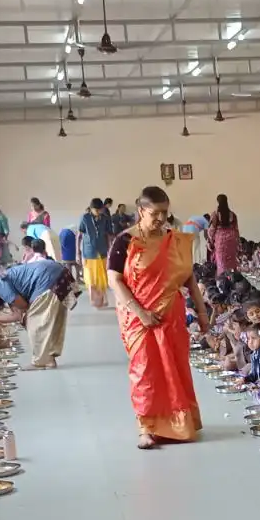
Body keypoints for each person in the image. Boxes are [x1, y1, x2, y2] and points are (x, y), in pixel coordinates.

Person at [108, 187, 209, 448]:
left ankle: (178, 424)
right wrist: (140, 313)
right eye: (155, 213)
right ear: (141, 211)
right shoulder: (124, 241)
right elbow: (115, 281)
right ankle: (146, 427)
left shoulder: (175, 240)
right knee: (145, 372)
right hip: (138, 319)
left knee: (175, 369)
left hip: (171, 316)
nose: (162, 219)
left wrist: (201, 312)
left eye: (165, 212)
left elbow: (190, 280)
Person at [0, 253, 70, 370]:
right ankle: (49, 359)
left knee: (35, 323)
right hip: (62, 274)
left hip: (47, 280)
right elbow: (18, 314)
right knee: (53, 321)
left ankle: (40, 361)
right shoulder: (1, 277)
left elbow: (23, 306)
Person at [78, 198, 112, 308]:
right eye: (95, 210)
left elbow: (108, 235)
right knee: (91, 279)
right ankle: (94, 300)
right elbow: (79, 236)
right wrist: (78, 253)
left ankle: (102, 299)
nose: (97, 212)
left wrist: (110, 249)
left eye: (99, 210)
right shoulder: (85, 218)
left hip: (102, 252)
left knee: (102, 278)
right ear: (91, 209)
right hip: (89, 253)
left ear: (102, 209)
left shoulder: (106, 219)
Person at [210, 193, 241, 275]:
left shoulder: (215, 214)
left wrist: (210, 240)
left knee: (221, 262)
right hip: (231, 239)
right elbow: (236, 229)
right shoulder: (233, 215)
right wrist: (237, 242)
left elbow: (212, 229)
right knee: (231, 261)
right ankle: (233, 279)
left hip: (220, 240)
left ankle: (222, 280)